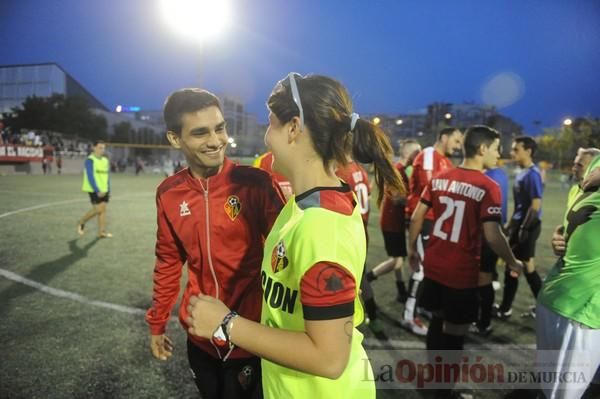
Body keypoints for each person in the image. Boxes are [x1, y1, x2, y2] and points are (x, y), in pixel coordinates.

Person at [186, 73, 405, 399]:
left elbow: (329, 358)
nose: (265, 138)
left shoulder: (321, 227)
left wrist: (227, 323)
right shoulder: (304, 204)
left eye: (271, 124)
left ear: (293, 128)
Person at [145, 88, 285, 399]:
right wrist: (157, 322)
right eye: (200, 133)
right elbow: (168, 260)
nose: (215, 140)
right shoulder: (169, 193)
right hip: (200, 337)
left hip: (251, 336)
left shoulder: (256, 183)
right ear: (174, 138)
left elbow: (286, 257)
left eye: (219, 128)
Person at [407, 125, 523, 397]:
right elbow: (493, 236)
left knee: (437, 321)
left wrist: (412, 249)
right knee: (455, 333)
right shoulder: (488, 186)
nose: (499, 154)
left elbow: (416, 218)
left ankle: (432, 383)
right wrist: (513, 261)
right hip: (460, 273)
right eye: (496, 148)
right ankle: (443, 391)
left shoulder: (439, 178)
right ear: (482, 149)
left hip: (434, 266)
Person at [536, 153, 600, 399]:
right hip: (581, 308)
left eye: (579, 164)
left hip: (560, 297)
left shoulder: (579, 191)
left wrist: (559, 238)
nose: (574, 168)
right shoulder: (581, 190)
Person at [403, 127, 463, 335]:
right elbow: (431, 187)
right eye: (456, 141)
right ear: (444, 137)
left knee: (431, 269)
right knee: (420, 270)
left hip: (436, 221)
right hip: (423, 219)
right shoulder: (429, 155)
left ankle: (420, 306)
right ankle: (409, 317)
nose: (458, 146)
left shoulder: (446, 161)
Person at [493, 136, 544, 319]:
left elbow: (535, 205)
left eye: (516, 149)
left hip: (528, 227)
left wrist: (523, 228)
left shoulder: (533, 174)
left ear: (528, 151)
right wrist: (509, 227)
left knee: (517, 267)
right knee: (521, 267)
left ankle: (507, 308)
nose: (512, 152)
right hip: (520, 226)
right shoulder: (522, 172)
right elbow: (521, 206)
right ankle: (539, 308)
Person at [335, 157, 385, 339]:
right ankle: (373, 317)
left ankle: (364, 319)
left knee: (345, 281)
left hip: (348, 233)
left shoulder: (341, 171)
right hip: (361, 232)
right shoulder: (359, 169)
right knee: (360, 278)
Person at [366, 139, 421, 304]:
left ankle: (401, 290)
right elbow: (397, 199)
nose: (419, 156)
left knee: (399, 258)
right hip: (392, 222)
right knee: (397, 259)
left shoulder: (401, 170)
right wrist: (420, 201)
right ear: (408, 153)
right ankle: (368, 278)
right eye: (417, 152)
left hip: (394, 221)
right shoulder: (396, 170)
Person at [470, 163, 509, 336]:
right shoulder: (499, 174)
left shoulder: (490, 177)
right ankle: (481, 319)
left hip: (487, 228)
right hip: (491, 226)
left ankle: (482, 322)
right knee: (484, 276)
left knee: (483, 278)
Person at [77, 140, 112, 238]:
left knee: (103, 210)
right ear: (94, 148)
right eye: (100, 147)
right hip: (94, 189)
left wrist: (108, 188)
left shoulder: (105, 160)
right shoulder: (90, 160)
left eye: (104, 148)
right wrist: (97, 190)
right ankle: (81, 222)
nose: (102, 150)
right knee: (98, 209)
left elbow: (107, 176)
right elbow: (90, 176)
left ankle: (101, 232)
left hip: (104, 189)